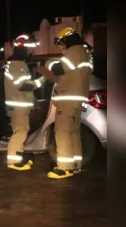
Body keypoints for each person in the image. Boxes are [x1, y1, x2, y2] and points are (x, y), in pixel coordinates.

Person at [36, 27, 94, 179]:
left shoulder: (75, 51)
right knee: (73, 132)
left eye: (61, 43)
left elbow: (59, 68)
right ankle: (75, 166)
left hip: (68, 99)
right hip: (76, 99)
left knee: (62, 132)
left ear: (68, 39)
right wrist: (44, 72)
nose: (61, 46)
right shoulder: (84, 54)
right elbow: (63, 77)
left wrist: (47, 63)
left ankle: (64, 168)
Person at [3, 34, 44, 171]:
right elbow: (23, 86)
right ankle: (14, 162)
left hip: (18, 105)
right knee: (20, 132)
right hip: (19, 105)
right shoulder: (17, 64)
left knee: (20, 131)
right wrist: (42, 80)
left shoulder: (15, 63)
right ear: (23, 49)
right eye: (30, 48)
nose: (32, 52)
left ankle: (17, 158)